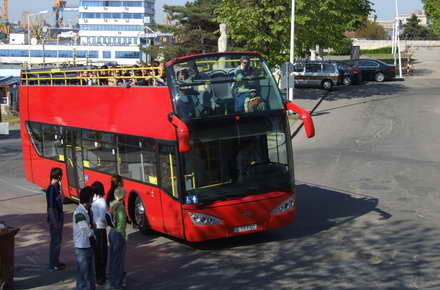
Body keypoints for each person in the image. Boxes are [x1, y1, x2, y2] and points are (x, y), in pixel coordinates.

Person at [73, 186, 96, 290]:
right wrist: (94, 232)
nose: (93, 199)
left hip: (88, 246)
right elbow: (86, 230)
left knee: (90, 275)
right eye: (92, 197)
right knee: (83, 277)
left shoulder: (88, 210)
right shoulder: (79, 213)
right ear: (88, 198)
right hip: (82, 247)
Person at [108, 187, 128, 289]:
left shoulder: (112, 204)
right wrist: (123, 237)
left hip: (111, 232)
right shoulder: (121, 207)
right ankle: (116, 283)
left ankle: (112, 279)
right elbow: (122, 223)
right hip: (118, 234)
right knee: (118, 260)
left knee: (113, 258)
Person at [46, 167, 65, 271]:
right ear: (58, 176)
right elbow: (51, 207)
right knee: (55, 242)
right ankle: (52, 264)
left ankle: (56, 261)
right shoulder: (51, 189)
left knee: (58, 241)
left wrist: (61, 188)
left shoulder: (56, 187)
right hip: (55, 219)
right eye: (61, 176)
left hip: (58, 217)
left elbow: (62, 199)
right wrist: (55, 222)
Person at [91, 181, 108, 286]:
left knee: (97, 255)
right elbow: (103, 217)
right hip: (101, 229)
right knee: (103, 254)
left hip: (94, 229)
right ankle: (102, 277)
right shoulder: (102, 201)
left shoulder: (93, 200)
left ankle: (98, 276)